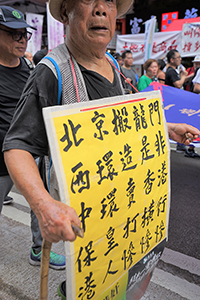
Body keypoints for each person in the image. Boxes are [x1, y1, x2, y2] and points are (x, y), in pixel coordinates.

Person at [2, 0, 200, 299]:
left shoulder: (113, 65)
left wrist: (167, 127)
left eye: (109, 1)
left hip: (124, 211)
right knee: (85, 285)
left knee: (125, 284)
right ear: (66, 12)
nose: (101, 9)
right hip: (83, 223)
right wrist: (43, 206)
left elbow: (132, 117)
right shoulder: (51, 72)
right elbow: (17, 146)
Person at [0, 5, 65, 270]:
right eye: (14, 34)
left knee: (42, 204)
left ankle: (40, 250)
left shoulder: (30, 68)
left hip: (33, 154)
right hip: (1, 160)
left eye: (24, 35)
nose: (22, 40)